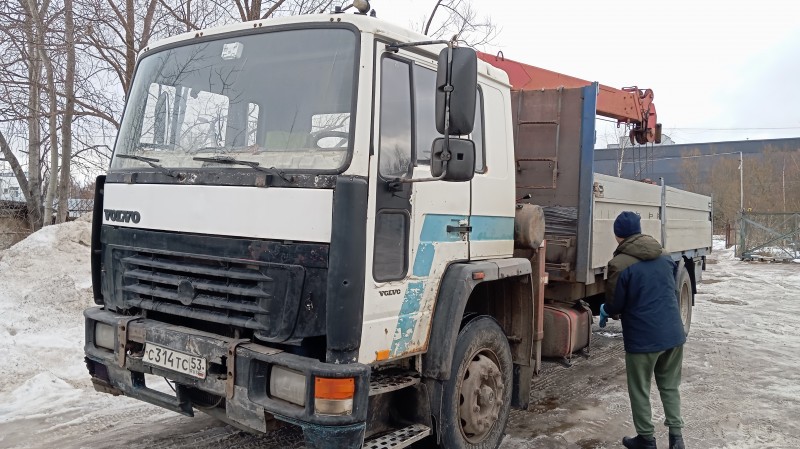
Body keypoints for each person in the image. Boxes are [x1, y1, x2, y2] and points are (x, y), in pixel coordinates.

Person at [599, 211, 687, 449]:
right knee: (669, 386)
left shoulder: (619, 264)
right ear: (638, 230)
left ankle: (646, 440)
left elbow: (616, 304)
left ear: (618, 235)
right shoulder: (665, 255)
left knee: (639, 389)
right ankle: (677, 439)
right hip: (674, 335)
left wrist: (607, 310)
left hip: (643, 339)